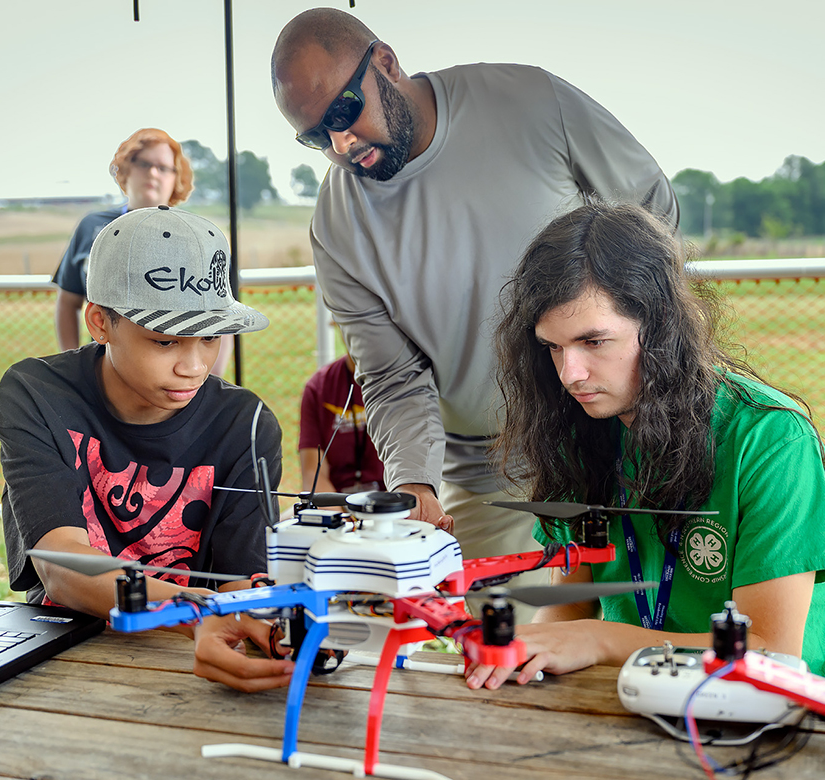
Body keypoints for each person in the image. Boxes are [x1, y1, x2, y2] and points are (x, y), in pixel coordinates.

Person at [271, 10, 679, 589]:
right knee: (503, 655)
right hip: (489, 471)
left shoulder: (530, 102)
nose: (340, 143)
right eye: (316, 137)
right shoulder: (336, 225)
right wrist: (413, 483)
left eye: (343, 112)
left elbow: (653, 214)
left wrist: (642, 376)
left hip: (623, 433)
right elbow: (391, 375)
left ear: (385, 62)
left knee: (650, 624)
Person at [466, 201, 825, 690]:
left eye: (594, 342)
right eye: (553, 347)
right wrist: (521, 657)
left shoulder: (772, 441)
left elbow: (771, 648)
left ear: (660, 324)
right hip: (632, 693)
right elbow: (567, 608)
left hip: (753, 712)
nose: (569, 374)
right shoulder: (579, 428)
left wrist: (599, 640)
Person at [0, 205, 294, 692]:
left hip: (189, 655)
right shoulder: (36, 393)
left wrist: (270, 630)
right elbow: (62, 565)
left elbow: (243, 580)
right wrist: (205, 610)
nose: (194, 366)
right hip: (65, 649)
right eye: (165, 342)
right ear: (100, 322)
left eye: (210, 337)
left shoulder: (247, 424)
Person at [51, 128, 234, 376]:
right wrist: (74, 367)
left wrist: (208, 381)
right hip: (107, 369)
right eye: (144, 163)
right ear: (125, 168)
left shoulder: (197, 237)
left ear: (176, 177)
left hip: (174, 372)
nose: (152, 173)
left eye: (163, 167)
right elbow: (67, 301)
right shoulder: (92, 227)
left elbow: (221, 315)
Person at [298, 352, 385, 495]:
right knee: (282, 518)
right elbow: (312, 474)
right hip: (335, 500)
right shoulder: (319, 387)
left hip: (388, 500)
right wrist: (340, 515)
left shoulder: (400, 384)